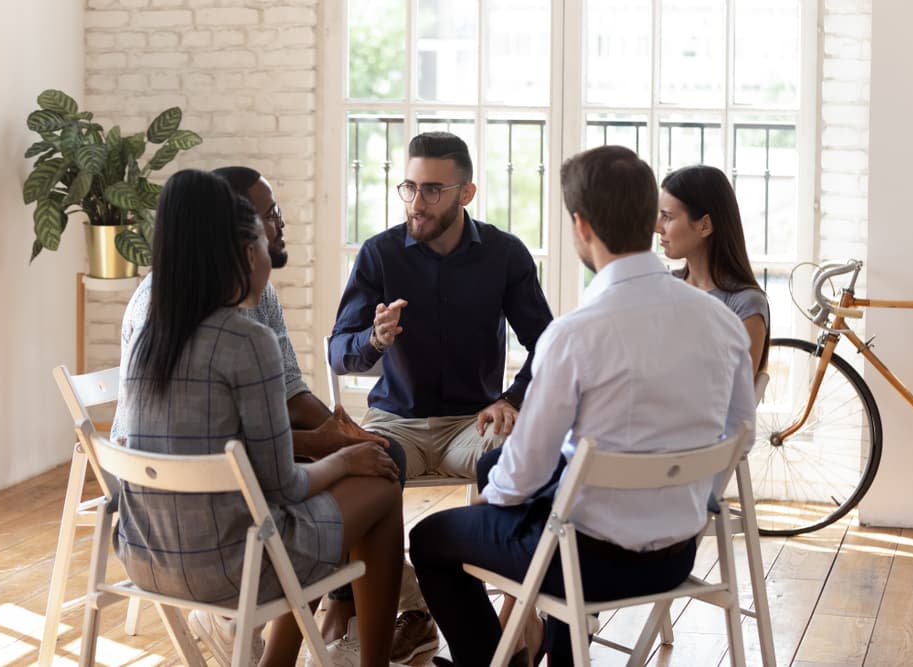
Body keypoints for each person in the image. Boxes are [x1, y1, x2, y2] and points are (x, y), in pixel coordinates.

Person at [409, 146, 757, 666]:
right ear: (647, 219)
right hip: (678, 552)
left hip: (582, 564)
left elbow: (524, 470)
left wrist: (491, 500)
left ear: (582, 227)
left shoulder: (574, 335)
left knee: (431, 537)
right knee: (533, 490)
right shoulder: (720, 322)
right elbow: (741, 432)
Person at [114, 169, 405, 667]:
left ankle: (297, 649)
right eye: (264, 236)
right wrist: (344, 459)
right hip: (232, 567)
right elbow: (286, 487)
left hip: (142, 556)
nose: (273, 246)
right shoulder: (246, 341)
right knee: (377, 488)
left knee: (352, 481)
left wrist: (336, 448)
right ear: (247, 254)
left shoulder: (150, 335)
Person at [327, 132, 554, 663]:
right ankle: (403, 605)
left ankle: (518, 615)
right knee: (363, 470)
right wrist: (373, 340)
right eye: (409, 187)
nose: (416, 202)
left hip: (472, 421)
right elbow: (340, 352)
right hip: (396, 418)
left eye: (432, 190)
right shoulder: (379, 253)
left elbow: (547, 345)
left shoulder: (504, 254)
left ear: (465, 193)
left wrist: (513, 399)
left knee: (516, 463)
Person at [657, 164, 770, 375]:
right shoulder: (665, 287)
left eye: (668, 217)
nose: (657, 227)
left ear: (705, 226)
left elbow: (737, 396)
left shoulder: (745, 304)